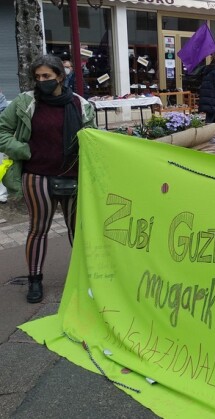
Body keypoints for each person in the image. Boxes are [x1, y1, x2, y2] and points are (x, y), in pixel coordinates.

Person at [0, 54, 96, 303]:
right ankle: (35, 280)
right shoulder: (25, 102)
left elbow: (93, 139)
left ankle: (86, 279)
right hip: (37, 175)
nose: (41, 81)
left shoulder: (80, 104)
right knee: (38, 229)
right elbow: (2, 129)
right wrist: (22, 150)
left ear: (60, 77)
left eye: (46, 76)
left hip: (75, 176)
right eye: (37, 77)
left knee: (78, 231)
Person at [198, 55, 215, 135]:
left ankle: (213, 130)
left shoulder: (208, 69)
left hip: (209, 94)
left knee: (213, 113)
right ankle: (206, 133)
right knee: (210, 115)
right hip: (212, 96)